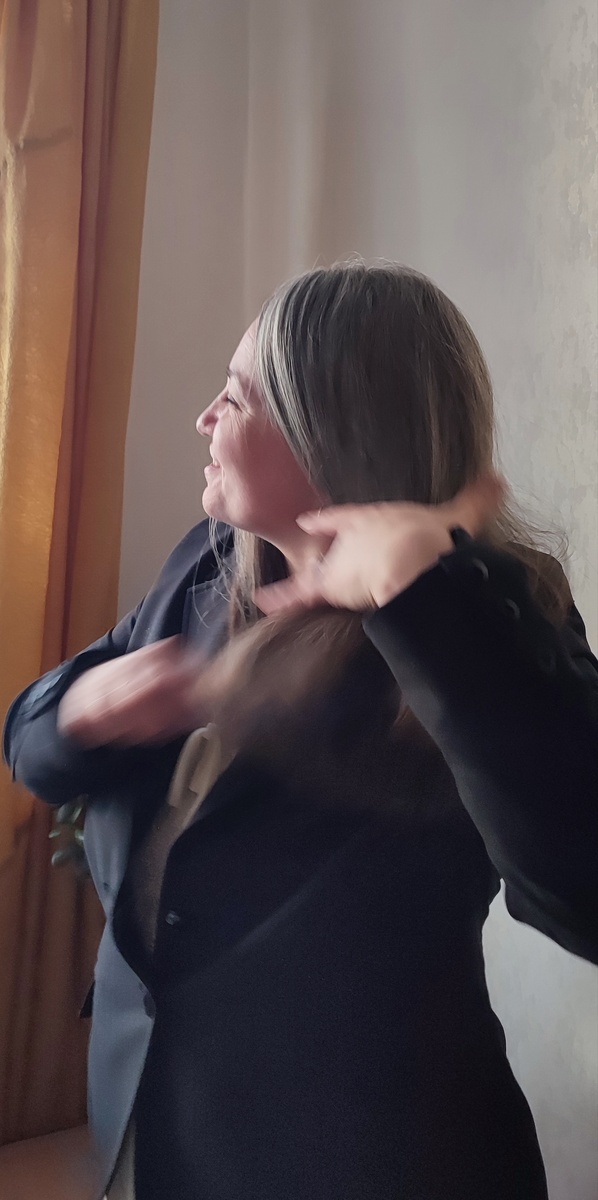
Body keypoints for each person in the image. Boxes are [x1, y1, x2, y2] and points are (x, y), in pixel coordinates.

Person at [4, 262, 597, 1200]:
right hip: (157, 1125)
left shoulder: (494, 617)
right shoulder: (206, 566)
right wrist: (82, 712)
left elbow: (581, 893)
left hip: (366, 1160)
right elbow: (30, 735)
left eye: (236, 395)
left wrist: (419, 599)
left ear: (335, 429)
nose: (204, 417)